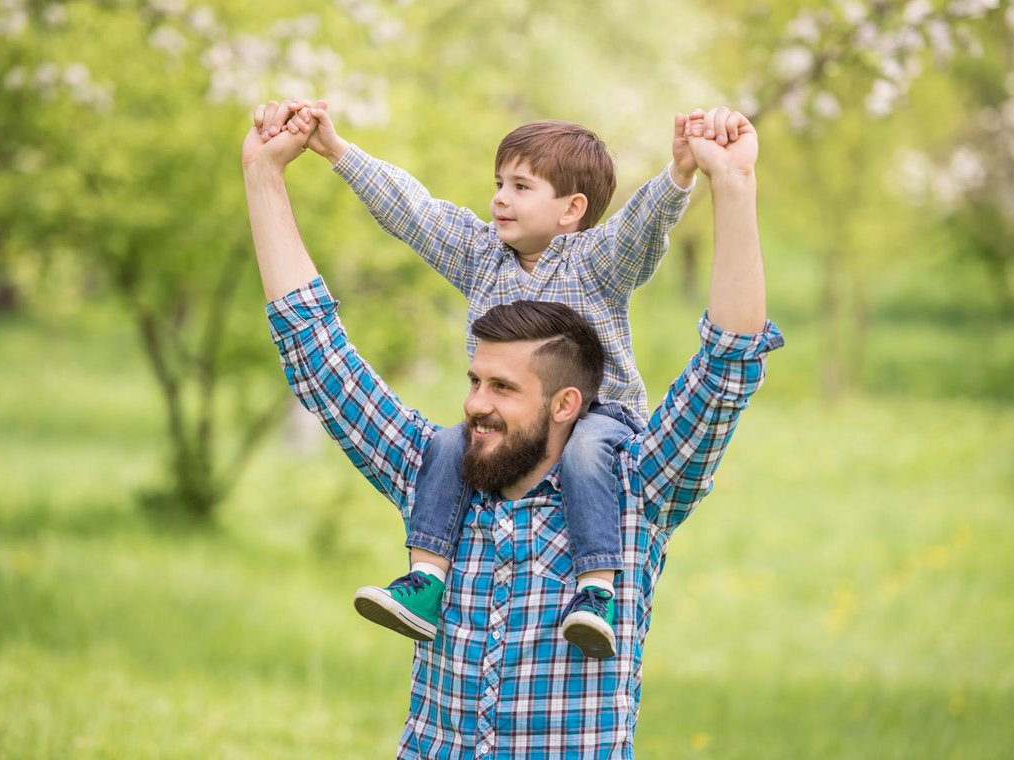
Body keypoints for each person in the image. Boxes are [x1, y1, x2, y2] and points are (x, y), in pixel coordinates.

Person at [243, 101, 783, 758]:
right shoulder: (436, 470)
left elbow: (726, 363)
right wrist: (267, 173)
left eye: (501, 388)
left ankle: (596, 588)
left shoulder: (634, 491)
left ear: (563, 404)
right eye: (474, 381)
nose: (475, 404)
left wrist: (721, 181)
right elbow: (318, 349)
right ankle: (425, 580)